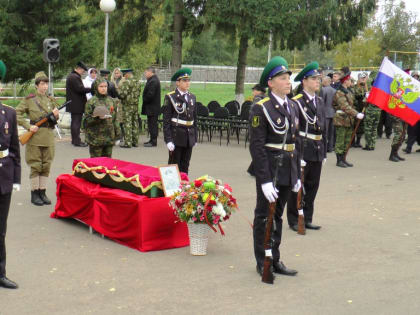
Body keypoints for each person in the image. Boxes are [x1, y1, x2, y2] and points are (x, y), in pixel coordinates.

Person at [249, 56, 299, 278]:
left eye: (288, 77)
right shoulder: (261, 108)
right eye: (282, 78)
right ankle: (263, 260)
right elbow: (257, 148)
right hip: (270, 169)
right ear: (270, 83)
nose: (288, 81)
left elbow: (294, 143)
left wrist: (297, 172)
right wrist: (265, 180)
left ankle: (275, 258)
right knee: (264, 216)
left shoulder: (293, 106)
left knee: (277, 216)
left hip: (288, 168)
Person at [287, 62, 326, 231]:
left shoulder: (319, 101)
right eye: (314, 79)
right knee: (297, 186)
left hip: (317, 148)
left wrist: (324, 151)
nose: (318, 81)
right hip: (302, 148)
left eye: (319, 78)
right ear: (304, 81)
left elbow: (324, 126)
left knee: (312, 185)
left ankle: (307, 217)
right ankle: (294, 219)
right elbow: (293, 130)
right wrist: (296, 153)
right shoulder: (296, 102)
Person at [16, 72, 59, 206]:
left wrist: (56, 116)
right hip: (35, 137)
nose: (45, 86)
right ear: (36, 85)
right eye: (42, 84)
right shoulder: (30, 99)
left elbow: (54, 119)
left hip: (48, 137)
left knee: (46, 165)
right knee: (36, 165)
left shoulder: (51, 100)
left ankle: (42, 192)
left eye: (46, 83)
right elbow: (16, 114)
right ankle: (34, 193)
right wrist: (28, 126)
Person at [0, 60, 21, 289]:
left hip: (3, 177)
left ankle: (0, 272)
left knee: (0, 230)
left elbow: (15, 149)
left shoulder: (9, 114)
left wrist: (16, 178)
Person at [163, 68, 197, 174]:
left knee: (185, 165)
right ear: (178, 82)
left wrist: (195, 137)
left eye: (188, 80)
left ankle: (184, 187)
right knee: (174, 165)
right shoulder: (171, 97)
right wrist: (168, 140)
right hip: (176, 136)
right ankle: (172, 189)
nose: (187, 83)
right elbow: (166, 121)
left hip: (189, 137)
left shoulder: (192, 97)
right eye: (184, 80)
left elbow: (195, 120)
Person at [332, 67, 364, 168]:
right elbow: (345, 106)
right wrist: (356, 114)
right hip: (341, 119)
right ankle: (339, 160)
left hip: (349, 119)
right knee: (340, 140)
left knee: (347, 141)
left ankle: (344, 159)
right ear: (345, 81)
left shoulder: (348, 91)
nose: (351, 81)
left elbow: (353, 103)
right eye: (350, 80)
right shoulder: (340, 92)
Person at [83, 79, 121, 157]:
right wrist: (97, 118)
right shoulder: (91, 102)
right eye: (101, 86)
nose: (103, 88)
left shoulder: (111, 101)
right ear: (96, 87)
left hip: (109, 137)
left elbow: (114, 118)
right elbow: (86, 121)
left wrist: (118, 132)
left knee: (107, 164)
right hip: (95, 138)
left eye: (105, 86)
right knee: (96, 164)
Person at [65, 61, 91, 147]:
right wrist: (92, 89)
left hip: (74, 103)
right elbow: (80, 89)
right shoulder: (74, 77)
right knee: (76, 122)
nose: (83, 73)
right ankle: (77, 141)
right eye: (83, 71)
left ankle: (74, 140)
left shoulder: (72, 76)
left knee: (74, 122)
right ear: (79, 69)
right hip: (77, 104)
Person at [118, 69, 141, 148]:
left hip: (127, 105)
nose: (124, 76)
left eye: (124, 75)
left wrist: (118, 94)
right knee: (135, 123)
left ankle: (128, 143)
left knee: (127, 123)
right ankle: (135, 142)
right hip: (135, 104)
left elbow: (123, 94)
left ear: (127, 74)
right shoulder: (137, 82)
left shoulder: (126, 82)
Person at [142, 66, 161, 147]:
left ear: (150, 72)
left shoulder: (153, 81)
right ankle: (151, 139)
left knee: (153, 125)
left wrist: (145, 99)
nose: (145, 74)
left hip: (152, 108)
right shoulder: (152, 80)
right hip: (152, 107)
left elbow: (150, 95)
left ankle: (153, 141)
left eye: (146, 72)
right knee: (151, 124)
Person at [363, 76, 382, 151]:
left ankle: (368, 145)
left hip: (370, 112)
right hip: (378, 112)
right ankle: (372, 144)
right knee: (374, 129)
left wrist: (367, 96)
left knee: (368, 128)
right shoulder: (381, 91)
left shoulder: (371, 92)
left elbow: (364, 102)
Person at [352, 73, 369, 148]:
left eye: (364, 78)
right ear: (358, 79)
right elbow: (355, 96)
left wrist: (366, 91)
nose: (363, 80)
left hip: (363, 109)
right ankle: (352, 142)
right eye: (361, 78)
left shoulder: (366, 87)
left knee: (361, 126)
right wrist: (363, 95)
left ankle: (358, 141)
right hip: (356, 109)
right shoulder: (354, 87)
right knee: (354, 125)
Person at [321, 76, 336, 152]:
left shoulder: (323, 90)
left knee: (325, 132)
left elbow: (321, 102)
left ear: (326, 81)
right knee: (331, 132)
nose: (321, 82)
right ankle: (330, 148)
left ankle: (324, 147)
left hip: (325, 113)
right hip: (333, 113)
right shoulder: (334, 90)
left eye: (322, 81)